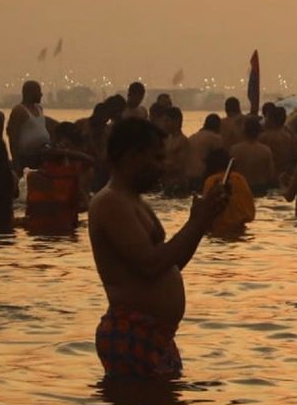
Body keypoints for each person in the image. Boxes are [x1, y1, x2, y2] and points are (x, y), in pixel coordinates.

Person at [88, 119, 228, 380]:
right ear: (131, 157)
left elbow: (169, 264)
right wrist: (195, 222)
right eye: (157, 158)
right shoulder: (110, 202)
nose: (163, 167)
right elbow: (150, 264)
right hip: (132, 331)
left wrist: (202, 224)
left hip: (155, 335)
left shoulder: (134, 201)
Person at [201, 148, 255, 235]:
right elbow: (249, 209)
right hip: (240, 229)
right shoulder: (240, 179)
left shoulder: (211, 181)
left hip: (217, 231)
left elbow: (206, 211)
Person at [6, 80, 55, 171]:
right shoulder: (19, 110)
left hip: (42, 155)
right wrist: (16, 162)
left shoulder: (39, 109)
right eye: (38, 92)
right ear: (30, 93)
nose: (41, 94)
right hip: (26, 157)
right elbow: (13, 137)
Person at [229, 117, 278, 195]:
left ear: (244, 131)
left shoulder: (235, 150)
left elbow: (229, 173)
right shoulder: (266, 150)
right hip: (260, 188)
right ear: (259, 132)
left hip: (241, 186)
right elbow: (271, 175)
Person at [258, 107, 297, 176]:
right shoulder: (291, 137)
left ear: (271, 119)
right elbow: (295, 158)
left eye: (267, 118)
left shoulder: (263, 138)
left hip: (268, 176)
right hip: (285, 175)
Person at [186, 114, 224, 189]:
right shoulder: (216, 138)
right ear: (218, 126)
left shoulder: (193, 137)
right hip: (202, 176)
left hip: (188, 176)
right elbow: (221, 159)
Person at [160, 107, 191, 195]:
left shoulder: (182, 140)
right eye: (163, 121)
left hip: (179, 185)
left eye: (167, 121)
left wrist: (164, 166)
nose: (164, 124)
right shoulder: (168, 139)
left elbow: (183, 166)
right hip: (167, 184)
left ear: (176, 121)